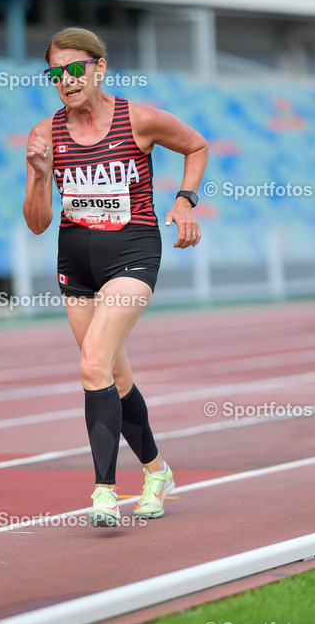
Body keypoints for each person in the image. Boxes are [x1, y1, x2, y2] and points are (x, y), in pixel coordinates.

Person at [23, 27, 208, 528]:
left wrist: (185, 200)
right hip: (75, 262)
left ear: (99, 67)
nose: (66, 80)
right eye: (55, 73)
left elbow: (196, 146)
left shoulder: (140, 120)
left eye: (75, 69)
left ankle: (104, 491)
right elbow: (38, 223)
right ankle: (156, 471)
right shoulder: (45, 133)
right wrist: (41, 175)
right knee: (112, 375)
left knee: (91, 364)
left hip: (133, 254)